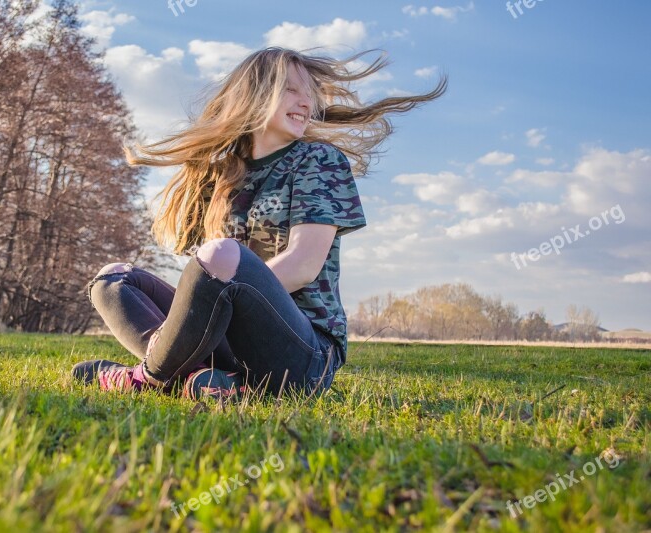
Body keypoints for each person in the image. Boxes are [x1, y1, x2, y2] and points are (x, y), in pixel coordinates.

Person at [72, 47, 446, 400]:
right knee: (113, 280)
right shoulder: (222, 173)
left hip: (302, 355)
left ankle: (145, 379)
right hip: (230, 343)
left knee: (222, 256)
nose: (307, 102)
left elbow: (302, 266)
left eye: (310, 94)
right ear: (255, 95)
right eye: (291, 90)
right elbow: (199, 278)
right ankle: (204, 379)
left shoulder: (319, 160)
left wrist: (223, 290)